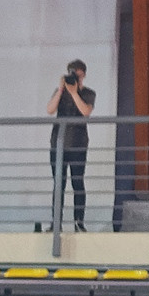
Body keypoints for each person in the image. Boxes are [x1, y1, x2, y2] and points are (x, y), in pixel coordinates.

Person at [46, 59, 95, 233]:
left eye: (79, 75)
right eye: (73, 74)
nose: (75, 78)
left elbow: (86, 112)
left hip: (78, 144)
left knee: (77, 182)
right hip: (58, 143)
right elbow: (50, 109)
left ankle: (78, 222)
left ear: (84, 75)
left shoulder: (88, 93)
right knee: (58, 183)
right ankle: (55, 223)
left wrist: (75, 92)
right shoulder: (60, 92)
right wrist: (61, 89)